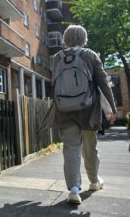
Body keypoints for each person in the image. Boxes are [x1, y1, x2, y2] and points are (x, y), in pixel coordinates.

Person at [41, 25, 117, 204]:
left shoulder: (58, 57)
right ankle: (94, 181)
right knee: (90, 147)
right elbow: (103, 83)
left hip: (64, 110)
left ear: (65, 38)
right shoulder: (90, 55)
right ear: (84, 38)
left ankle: (74, 189)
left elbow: (55, 83)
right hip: (88, 109)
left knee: (71, 149)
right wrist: (112, 108)